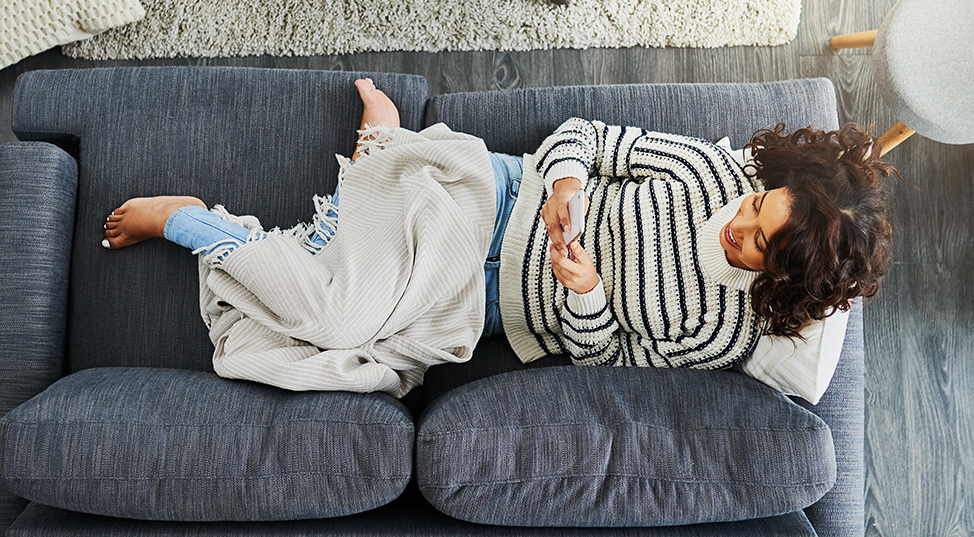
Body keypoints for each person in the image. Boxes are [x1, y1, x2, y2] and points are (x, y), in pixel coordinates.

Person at [101, 77, 894, 378]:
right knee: (339, 313)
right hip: (492, 200)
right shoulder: (713, 175)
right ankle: (191, 224)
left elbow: (603, 353)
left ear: (776, 278)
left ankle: (378, 146)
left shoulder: (721, 331)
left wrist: (583, 292)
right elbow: (585, 133)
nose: (737, 224)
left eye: (755, 241)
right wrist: (568, 183)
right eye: (757, 207)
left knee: (335, 348)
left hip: (477, 307)